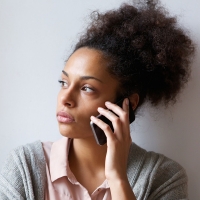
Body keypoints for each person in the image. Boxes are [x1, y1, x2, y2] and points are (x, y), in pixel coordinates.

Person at [0, 0, 195, 199]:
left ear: (128, 104)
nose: (65, 98)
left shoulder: (165, 177)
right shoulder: (24, 167)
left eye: (87, 88)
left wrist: (117, 177)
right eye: (64, 82)